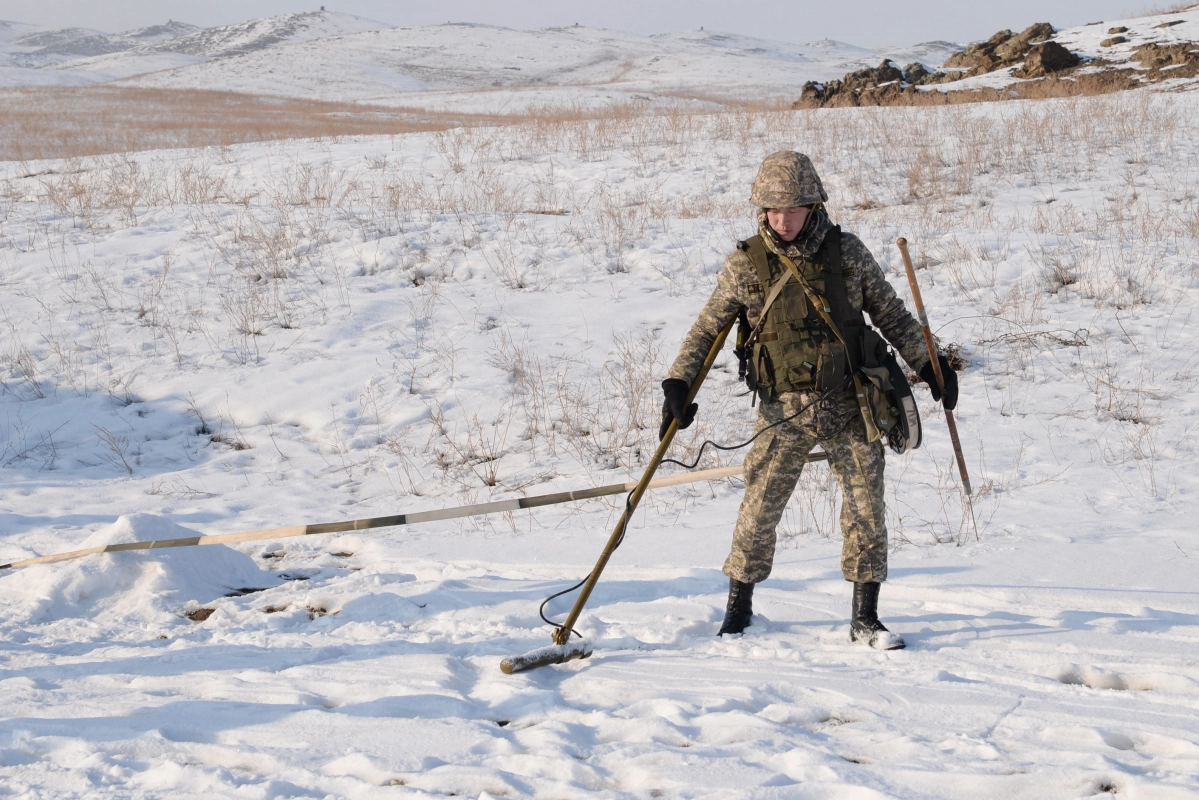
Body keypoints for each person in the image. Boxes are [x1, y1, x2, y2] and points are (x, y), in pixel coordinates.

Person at [660, 151, 958, 650]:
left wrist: (930, 365)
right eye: (774, 210)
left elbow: (892, 315)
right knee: (758, 511)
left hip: (853, 405)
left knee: (866, 511)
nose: (783, 220)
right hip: (782, 413)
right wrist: (679, 384)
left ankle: (866, 618)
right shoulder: (746, 265)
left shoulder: (848, 254)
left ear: (815, 205)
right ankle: (738, 611)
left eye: (794, 209)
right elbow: (706, 329)